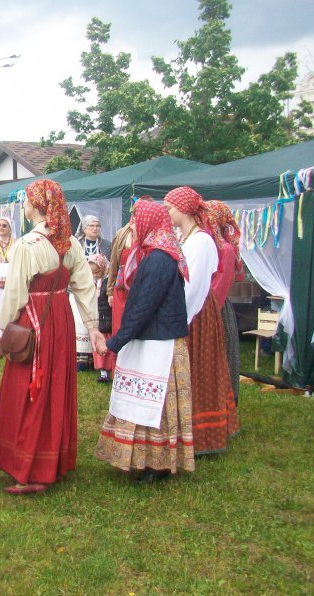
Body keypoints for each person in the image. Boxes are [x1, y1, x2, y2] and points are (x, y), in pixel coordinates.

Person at [0, 179, 102, 495]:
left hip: (34, 319)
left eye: (26, 200)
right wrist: (92, 326)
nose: (23, 206)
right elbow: (85, 286)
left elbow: (15, 293)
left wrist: (4, 332)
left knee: (30, 391)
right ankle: (53, 462)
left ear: (36, 206)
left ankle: (30, 470)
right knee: (53, 387)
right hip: (61, 319)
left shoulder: (27, 245)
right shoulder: (71, 244)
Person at [94, 200, 194, 483]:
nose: (134, 226)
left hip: (159, 342)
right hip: (152, 338)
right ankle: (150, 460)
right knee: (144, 402)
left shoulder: (159, 258)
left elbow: (144, 306)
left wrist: (115, 342)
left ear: (151, 223)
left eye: (138, 221)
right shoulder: (153, 253)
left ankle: (157, 463)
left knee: (154, 406)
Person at [165, 186, 238, 455]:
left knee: (198, 369)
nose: (167, 212)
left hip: (195, 313)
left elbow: (193, 286)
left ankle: (202, 433)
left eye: (170, 207)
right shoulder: (186, 238)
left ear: (184, 209)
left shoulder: (201, 241)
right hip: (187, 310)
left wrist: (180, 319)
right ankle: (186, 429)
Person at [206, 200, 242, 404]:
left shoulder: (225, 249)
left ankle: (224, 410)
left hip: (216, 309)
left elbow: (221, 284)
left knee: (222, 358)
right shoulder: (206, 244)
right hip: (205, 307)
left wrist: (207, 313)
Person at [89, 253, 114, 382]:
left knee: (108, 346)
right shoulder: (91, 283)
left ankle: (110, 369)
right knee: (99, 347)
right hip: (97, 320)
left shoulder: (108, 283)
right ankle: (102, 372)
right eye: (92, 273)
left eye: (97, 272)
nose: (94, 275)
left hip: (107, 319)